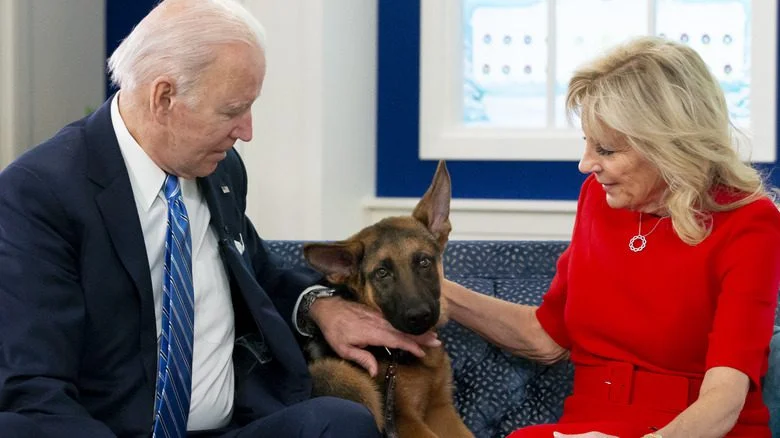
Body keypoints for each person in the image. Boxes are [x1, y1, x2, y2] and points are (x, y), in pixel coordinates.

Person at [0, 0, 439, 436]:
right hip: (109, 430)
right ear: (164, 97)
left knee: (340, 422)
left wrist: (320, 306)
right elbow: (35, 386)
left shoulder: (219, 168)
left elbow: (258, 273)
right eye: (232, 110)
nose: (246, 130)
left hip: (233, 426)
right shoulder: (41, 193)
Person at [442, 36, 780, 437]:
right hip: (585, 426)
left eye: (606, 149)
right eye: (586, 143)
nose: (587, 165)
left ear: (669, 145)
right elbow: (547, 336)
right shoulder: (599, 200)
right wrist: (435, 291)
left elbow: (724, 401)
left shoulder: (750, 222)